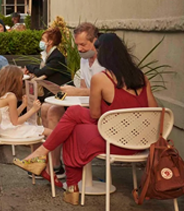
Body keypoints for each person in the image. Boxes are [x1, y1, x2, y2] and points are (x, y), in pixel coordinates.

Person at [13, 33, 158, 205]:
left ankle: (67, 181)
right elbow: (154, 110)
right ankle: (43, 157)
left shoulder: (102, 78)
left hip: (115, 142)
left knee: (74, 129)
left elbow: (95, 115)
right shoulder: (142, 77)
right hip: (141, 141)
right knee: (74, 113)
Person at [39, 22, 105, 178]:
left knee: (54, 110)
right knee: (46, 108)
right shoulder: (84, 59)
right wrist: (68, 93)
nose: (80, 49)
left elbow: (105, 92)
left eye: (83, 44)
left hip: (100, 109)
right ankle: (54, 164)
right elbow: (83, 88)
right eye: (77, 45)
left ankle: (50, 162)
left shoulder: (104, 61)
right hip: (85, 104)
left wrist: (77, 91)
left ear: (95, 40)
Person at [0, 66, 52, 139]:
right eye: (21, 80)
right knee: (50, 132)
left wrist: (23, 105)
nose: (21, 82)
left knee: (37, 130)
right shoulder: (11, 97)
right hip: (9, 131)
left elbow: (11, 116)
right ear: (15, 82)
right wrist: (33, 109)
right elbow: (15, 122)